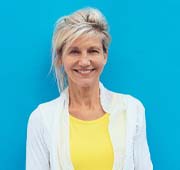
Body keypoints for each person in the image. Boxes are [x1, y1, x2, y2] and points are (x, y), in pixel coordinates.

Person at [26, 7, 153, 170]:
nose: (84, 61)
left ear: (105, 56)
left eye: (93, 51)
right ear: (60, 58)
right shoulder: (42, 118)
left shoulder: (131, 110)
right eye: (74, 52)